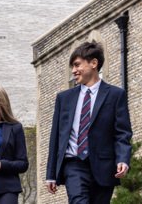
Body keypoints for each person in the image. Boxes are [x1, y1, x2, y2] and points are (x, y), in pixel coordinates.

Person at [45, 41, 133, 203]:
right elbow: (56, 137)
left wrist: (122, 159)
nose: (73, 71)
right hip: (74, 164)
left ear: (93, 63)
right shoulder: (64, 98)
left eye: (77, 65)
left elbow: (122, 133)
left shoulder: (115, 95)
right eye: (72, 66)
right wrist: (50, 173)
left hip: (104, 167)